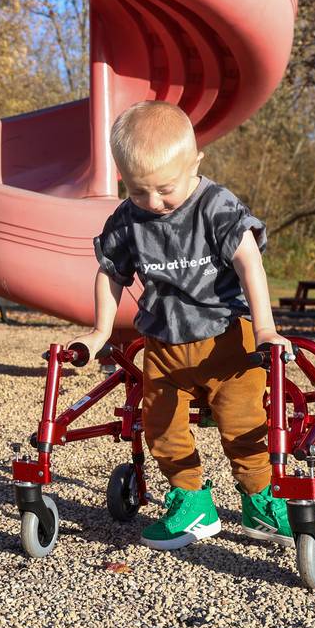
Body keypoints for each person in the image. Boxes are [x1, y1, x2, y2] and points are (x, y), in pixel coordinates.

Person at [70, 101, 293, 550]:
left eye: (165, 189)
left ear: (194, 163)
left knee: (243, 421)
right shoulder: (129, 220)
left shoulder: (216, 206)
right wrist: (99, 331)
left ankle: (260, 501)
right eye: (138, 191)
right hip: (164, 344)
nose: (153, 203)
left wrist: (266, 329)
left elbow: (249, 262)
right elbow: (111, 272)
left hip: (227, 339)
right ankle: (191, 501)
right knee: (160, 422)